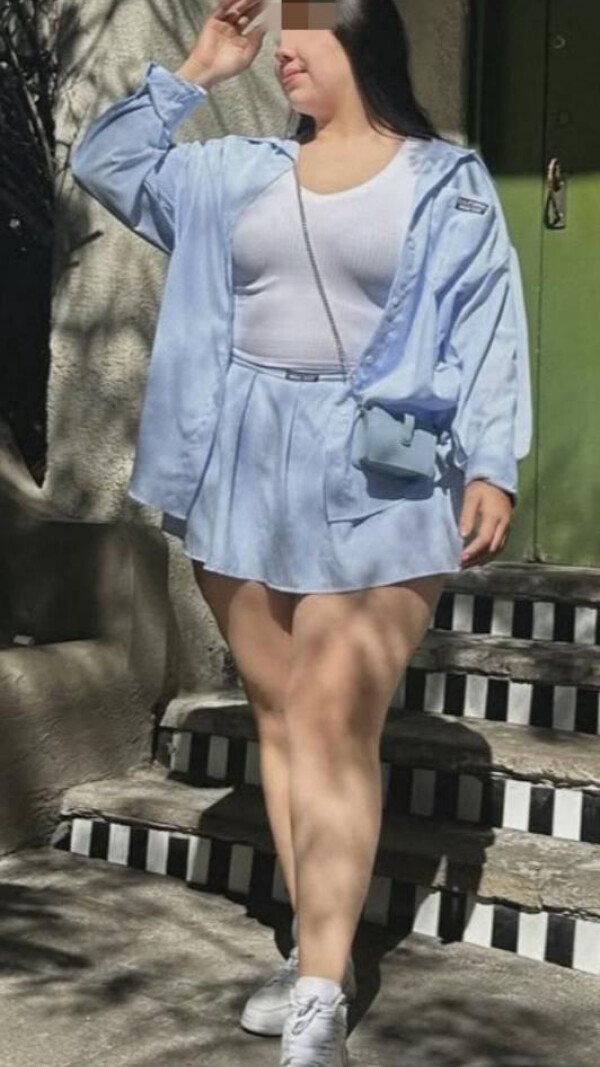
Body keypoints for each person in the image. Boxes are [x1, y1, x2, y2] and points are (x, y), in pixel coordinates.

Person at [70, 1, 533, 1064]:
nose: (281, 48)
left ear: (363, 38)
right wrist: (198, 65)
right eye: (276, 30)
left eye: (305, 28)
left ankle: (320, 988)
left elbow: (488, 323)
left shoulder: (443, 179)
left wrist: (492, 463)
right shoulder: (233, 170)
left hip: (383, 469)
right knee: (280, 720)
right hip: (239, 458)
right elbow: (106, 160)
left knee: (332, 717)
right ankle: (316, 947)